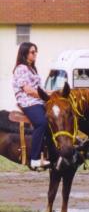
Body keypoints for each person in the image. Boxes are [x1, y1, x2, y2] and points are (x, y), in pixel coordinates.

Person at [12, 42, 52, 170]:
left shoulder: (32, 69)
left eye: (36, 52)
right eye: (32, 52)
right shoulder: (21, 68)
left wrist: (53, 93)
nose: (35, 54)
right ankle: (34, 159)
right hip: (28, 101)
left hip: (37, 101)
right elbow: (28, 90)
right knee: (41, 123)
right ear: (24, 53)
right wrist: (45, 96)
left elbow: (39, 89)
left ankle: (50, 155)